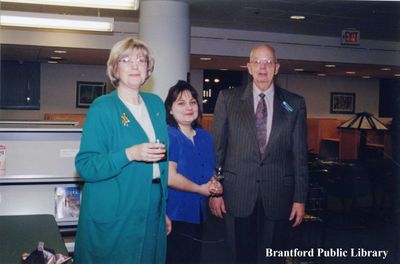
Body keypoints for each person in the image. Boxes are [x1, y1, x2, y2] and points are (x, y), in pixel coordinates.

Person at [209, 44, 309, 263]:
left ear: (277, 68)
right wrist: (215, 192)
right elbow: (217, 149)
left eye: (268, 62)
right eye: (257, 62)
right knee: (240, 256)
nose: (263, 67)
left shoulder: (294, 103)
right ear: (249, 67)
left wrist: (300, 199)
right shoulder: (228, 99)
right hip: (237, 194)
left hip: (278, 195)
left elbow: (300, 157)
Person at [74, 37, 170, 264]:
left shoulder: (156, 104)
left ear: (149, 68)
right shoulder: (103, 107)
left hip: (151, 204)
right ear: (115, 68)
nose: (135, 66)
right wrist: (130, 154)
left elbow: (160, 165)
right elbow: (85, 166)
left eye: (141, 60)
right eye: (126, 60)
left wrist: (161, 208)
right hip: (116, 209)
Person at [165, 80, 221, 263]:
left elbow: (210, 171)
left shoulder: (205, 137)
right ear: (170, 109)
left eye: (193, 102)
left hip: (199, 215)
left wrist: (215, 185)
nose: (189, 107)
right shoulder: (168, 135)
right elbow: (170, 177)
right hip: (173, 215)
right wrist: (200, 189)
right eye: (181, 103)